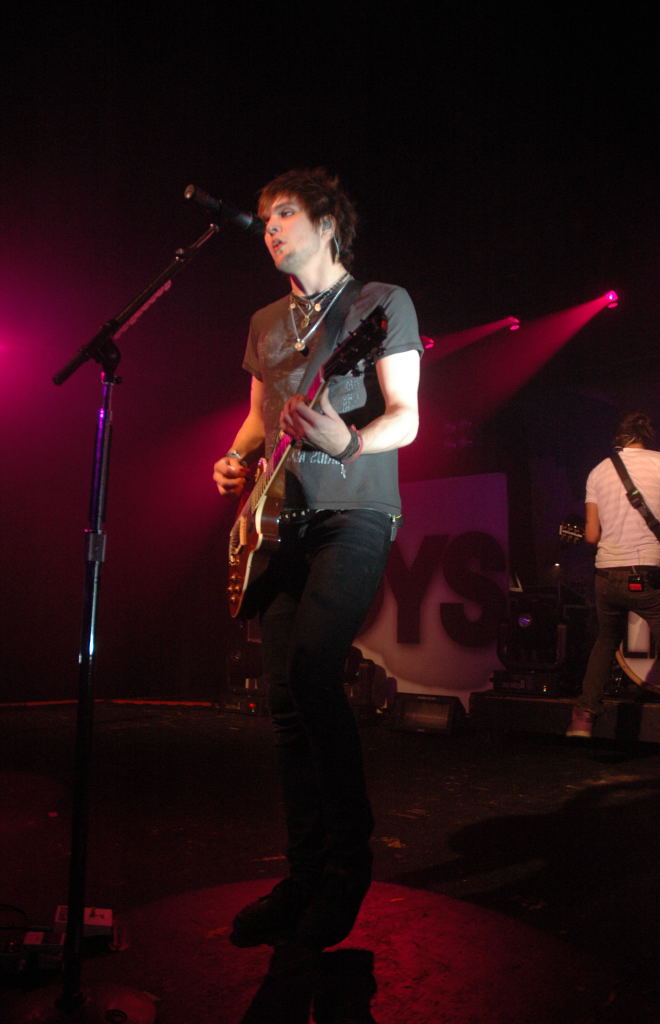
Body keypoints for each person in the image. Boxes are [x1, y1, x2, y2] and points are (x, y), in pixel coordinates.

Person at [213, 168, 422, 955]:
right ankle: (302, 875)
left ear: (328, 222)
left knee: (311, 672)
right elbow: (259, 417)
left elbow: (406, 416)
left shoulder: (381, 304)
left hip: (354, 511)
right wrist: (234, 460)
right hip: (277, 521)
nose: (269, 227)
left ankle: (346, 867)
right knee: (282, 702)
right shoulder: (265, 320)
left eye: (285, 213)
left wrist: (351, 440)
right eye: (264, 217)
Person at [566, 411, 660, 744]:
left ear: (619, 438)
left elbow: (591, 535)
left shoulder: (598, 471)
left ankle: (582, 717)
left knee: (605, 641)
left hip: (606, 576)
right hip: (646, 574)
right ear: (647, 436)